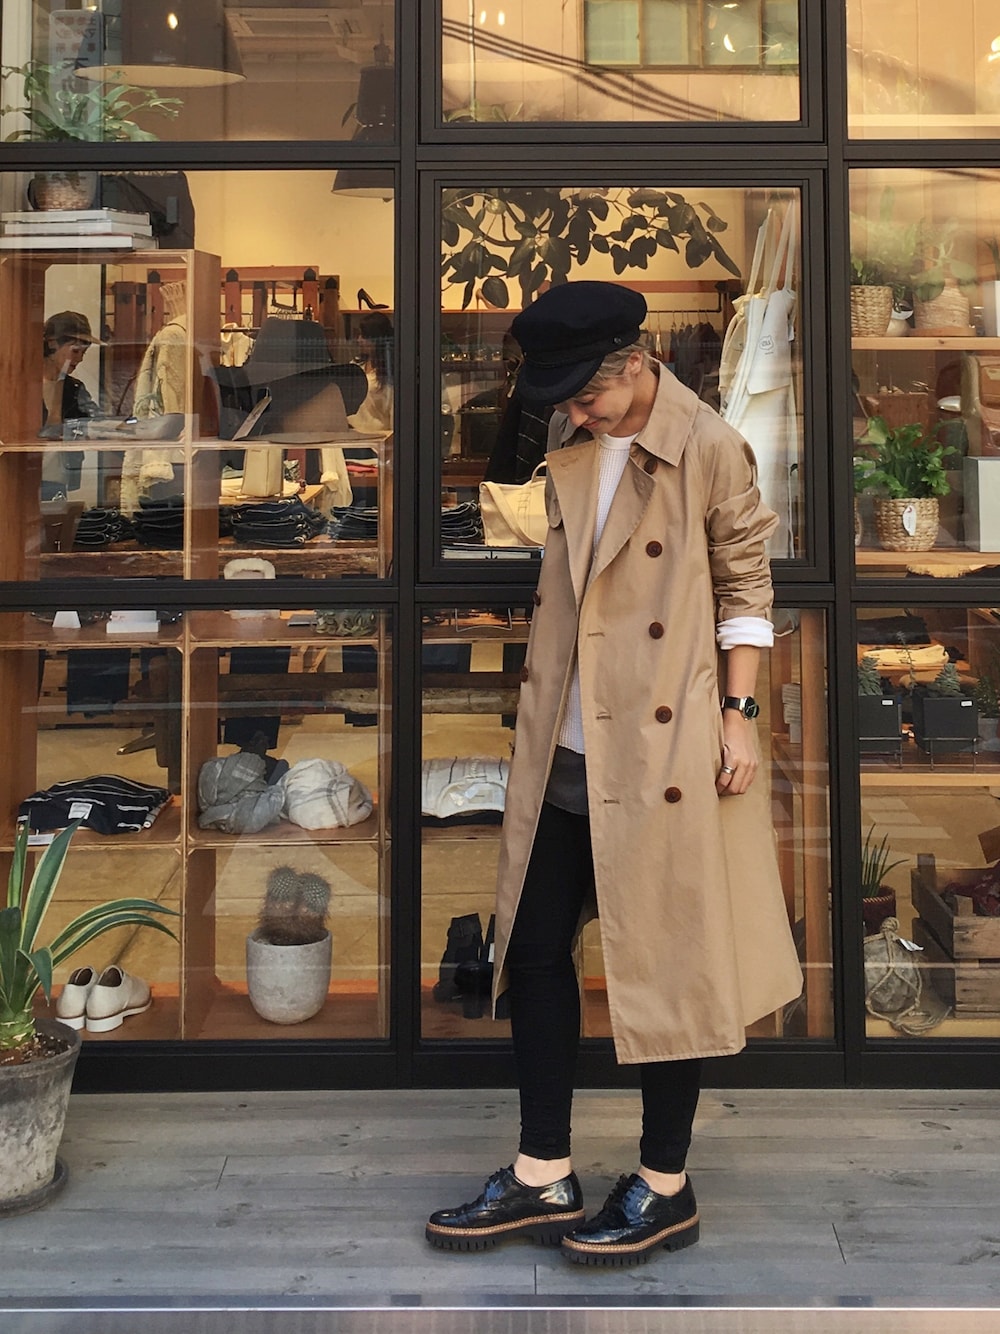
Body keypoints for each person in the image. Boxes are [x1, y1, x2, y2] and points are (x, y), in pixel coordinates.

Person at [425, 281, 802, 1267]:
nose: (577, 413)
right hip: (565, 731)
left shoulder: (707, 444)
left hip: (662, 746)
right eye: (564, 399)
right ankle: (543, 1168)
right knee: (533, 946)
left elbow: (747, 584)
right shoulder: (569, 431)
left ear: (636, 363)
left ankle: (664, 1184)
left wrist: (738, 714)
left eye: (587, 394)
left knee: (669, 955)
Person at [40, 310, 100, 499]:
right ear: (52, 343)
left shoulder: (74, 388)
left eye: (84, 353)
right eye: (75, 351)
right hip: (19, 479)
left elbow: (98, 421)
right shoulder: (19, 388)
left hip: (57, 481)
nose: (80, 359)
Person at [347, 310, 394, 433]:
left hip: (378, 436)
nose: (359, 340)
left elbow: (393, 410)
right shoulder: (355, 365)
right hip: (351, 433)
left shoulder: (389, 374)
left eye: (364, 336)